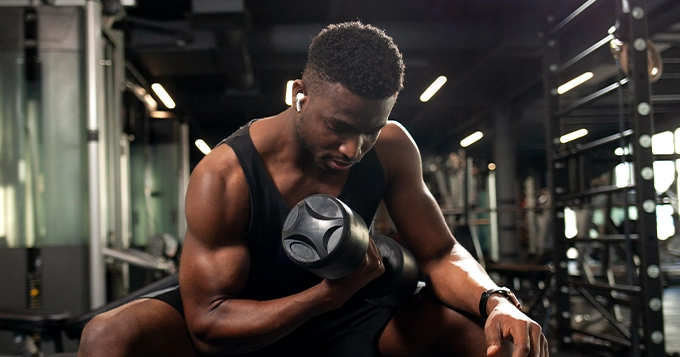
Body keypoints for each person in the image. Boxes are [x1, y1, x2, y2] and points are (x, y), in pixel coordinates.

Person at [79, 21, 548, 357]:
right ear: (299, 93)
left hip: (354, 318)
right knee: (109, 336)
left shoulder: (390, 147)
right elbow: (207, 324)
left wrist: (496, 303)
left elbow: (440, 251)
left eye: (369, 129)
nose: (352, 149)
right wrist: (325, 296)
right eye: (339, 127)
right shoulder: (225, 175)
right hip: (250, 323)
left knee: (498, 343)